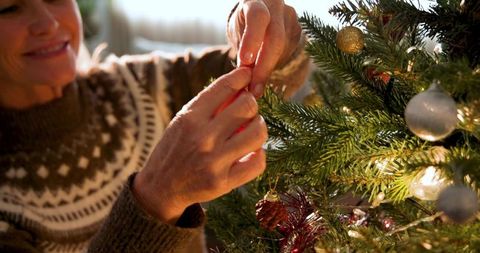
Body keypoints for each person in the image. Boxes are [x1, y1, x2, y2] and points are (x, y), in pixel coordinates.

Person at [0, 0, 310, 252]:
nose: (49, 24)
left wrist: (263, 29)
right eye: (9, 8)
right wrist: (157, 197)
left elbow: (270, 79)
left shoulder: (137, 86)